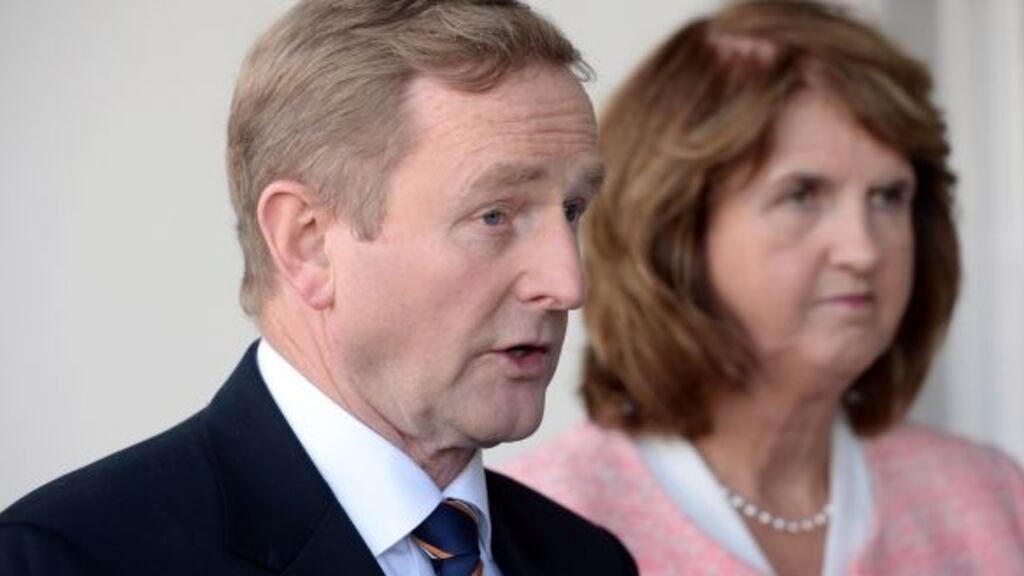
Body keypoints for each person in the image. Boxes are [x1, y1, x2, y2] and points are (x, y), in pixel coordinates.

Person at [0, 1, 639, 575]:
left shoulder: (589, 560)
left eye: (573, 210)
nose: (567, 283)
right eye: (494, 216)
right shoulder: (65, 558)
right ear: (308, 242)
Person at [503, 1, 1024, 575]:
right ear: (673, 229)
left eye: (888, 197)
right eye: (802, 195)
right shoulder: (541, 528)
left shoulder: (990, 499)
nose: (864, 250)